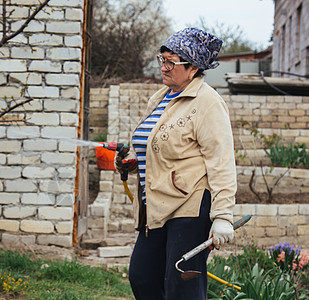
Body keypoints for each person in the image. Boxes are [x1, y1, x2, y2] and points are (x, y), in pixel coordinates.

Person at [115, 28, 237, 300]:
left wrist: (222, 216)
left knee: (182, 287)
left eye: (171, 62)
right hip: (155, 205)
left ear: (193, 68)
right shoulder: (159, 98)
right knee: (142, 277)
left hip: (189, 207)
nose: (164, 67)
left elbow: (222, 162)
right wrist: (131, 162)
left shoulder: (207, 102)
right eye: (162, 60)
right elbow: (156, 148)